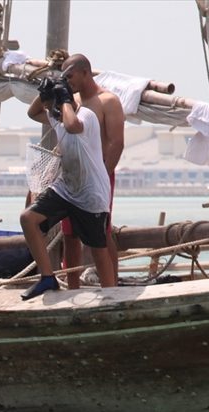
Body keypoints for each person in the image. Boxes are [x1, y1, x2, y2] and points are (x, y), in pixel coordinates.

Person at [19, 71, 114, 300]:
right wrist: (45, 91)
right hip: (66, 188)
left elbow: (72, 125)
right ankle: (47, 277)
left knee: (98, 249)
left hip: (91, 192)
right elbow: (32, 113)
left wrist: (64, 99)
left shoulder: (85, 115)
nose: (49, 110)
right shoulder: (56, 115)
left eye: (53, 104)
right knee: (28, 219)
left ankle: (113, 293)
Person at [57, 54, 124, 287]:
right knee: (70, 233)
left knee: (101, 230)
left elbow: (116, 143)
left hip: (100, 173)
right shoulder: (71, 101)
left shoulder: (108, 101)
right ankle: (72, 285)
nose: (67, 81)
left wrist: (102, 176)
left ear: (85, 72)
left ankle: (112, 286)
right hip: (73, 175)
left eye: (70, 76)